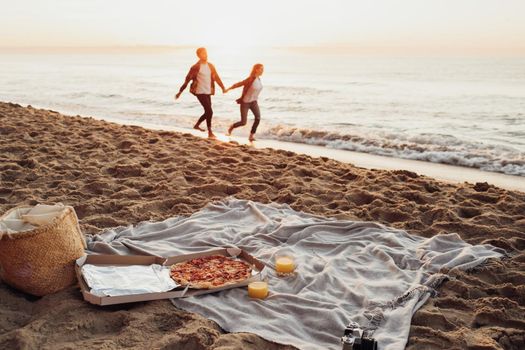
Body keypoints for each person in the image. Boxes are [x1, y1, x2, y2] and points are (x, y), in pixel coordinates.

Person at [175, 47, 226, 139]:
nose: (205, 55)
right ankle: (210, 132)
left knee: (208, 112)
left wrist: (222, 87)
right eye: (203, 53)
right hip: (199, 91)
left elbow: (216, 77)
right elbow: (187, 80)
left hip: (208, 91)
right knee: (209, 111)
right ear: (198, 55)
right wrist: (180, 92)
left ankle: (197, 125)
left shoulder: (210, 66)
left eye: (206, 53)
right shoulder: (195, 67)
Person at [225, 64, 264, 142]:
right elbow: (240, 83)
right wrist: (229, 88)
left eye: (263, 69)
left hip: (254, 102)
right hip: (245, 102)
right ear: (256, 69)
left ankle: (251, 136)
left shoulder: (259, 79)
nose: (262, 71)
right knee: (243, 122)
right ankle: (231, 127)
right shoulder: (251, 79)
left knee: (258, 118)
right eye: (261, 69)